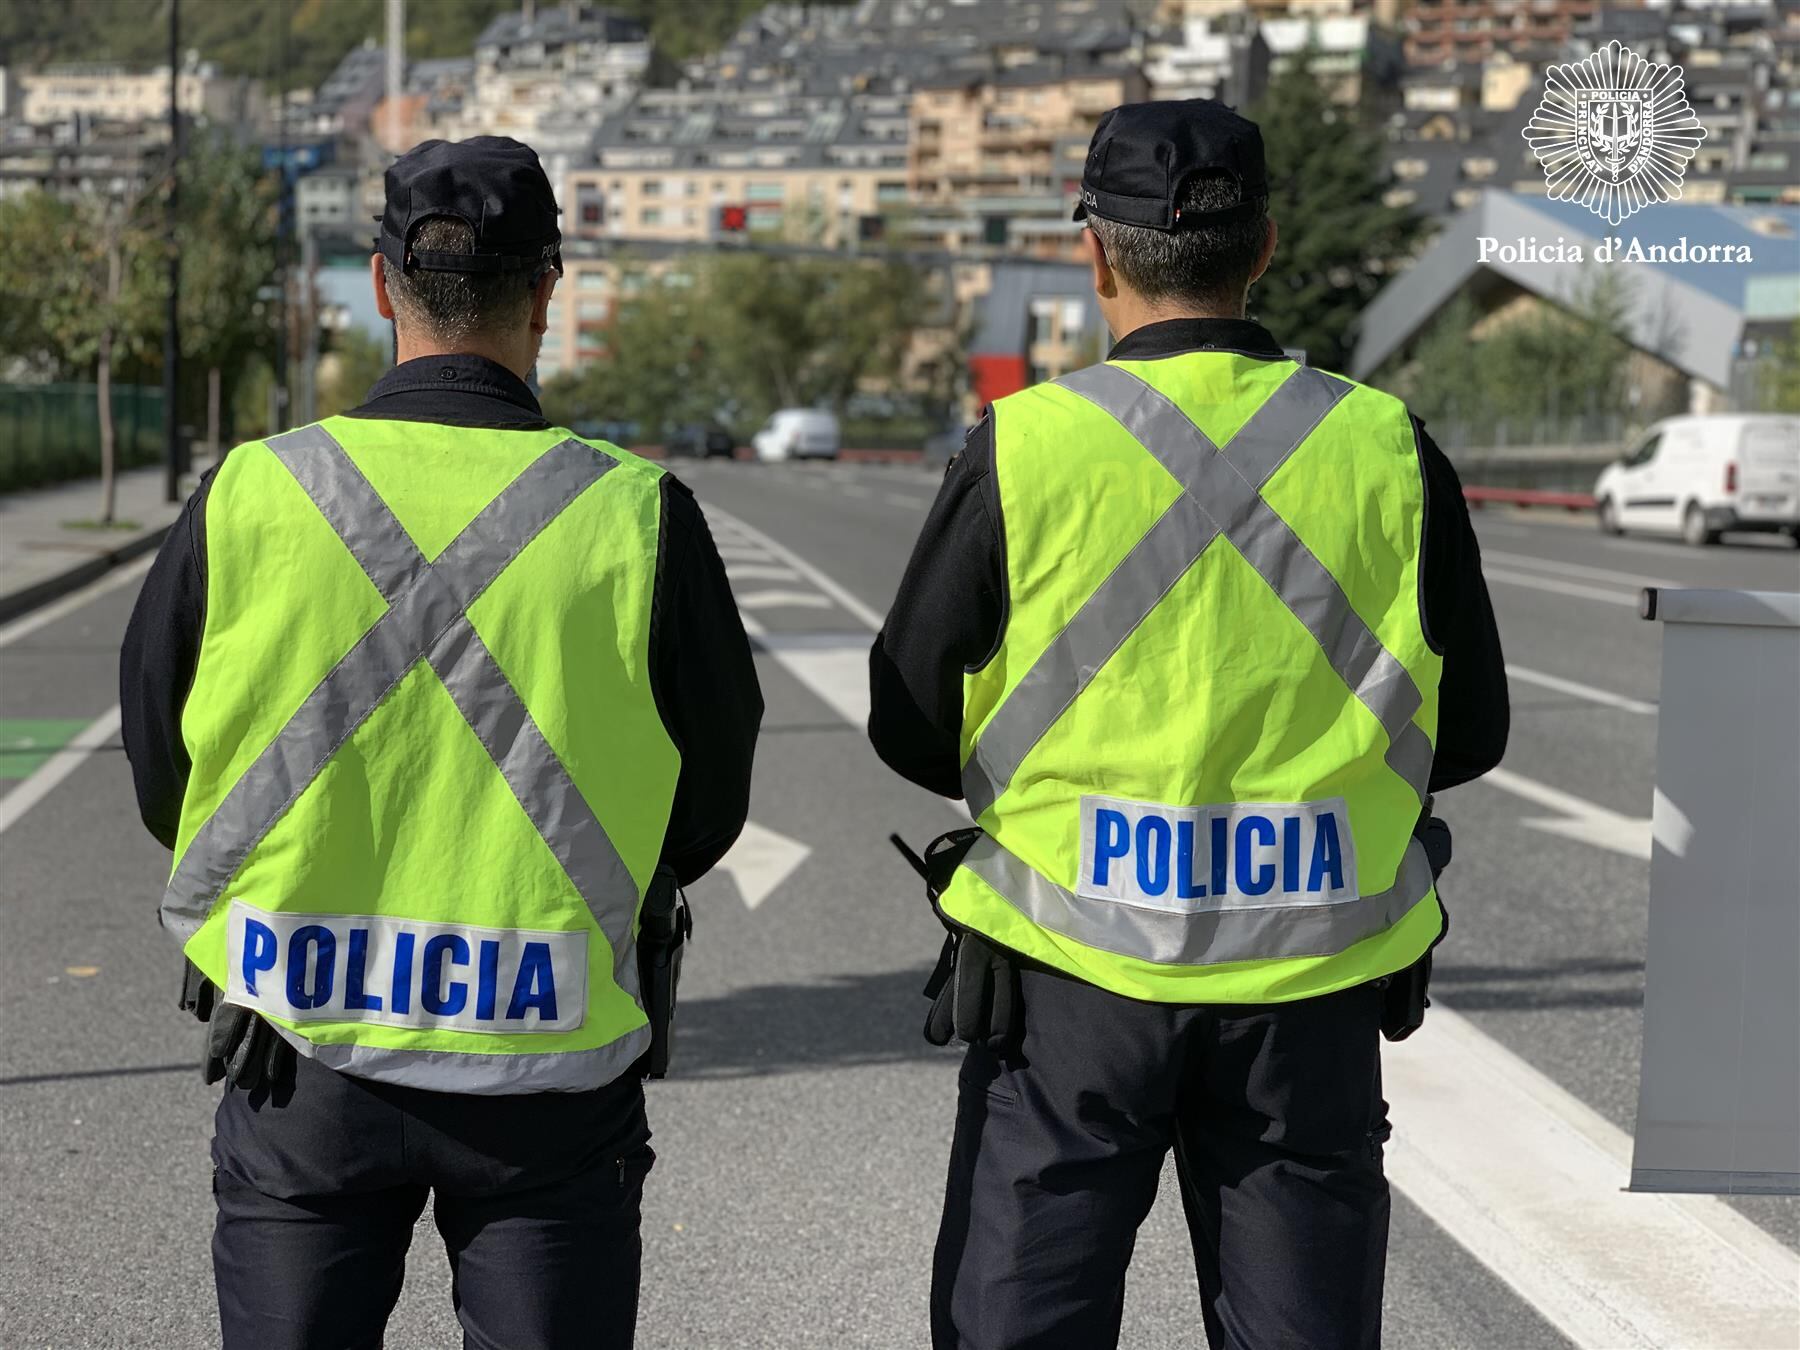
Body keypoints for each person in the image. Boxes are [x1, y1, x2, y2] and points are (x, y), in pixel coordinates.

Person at [869, 100, 1507, 1350]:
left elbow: (906, 718)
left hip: (1066, 990)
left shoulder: (1029, 445)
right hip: (1309, 1000)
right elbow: (1471, 733)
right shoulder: (1384, 445)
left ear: (1093, 256)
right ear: (1264, 247)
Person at [119, 136, 763, 1349]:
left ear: (378, 285)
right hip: (551, 1069)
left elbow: (164, 767)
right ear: (549, 290)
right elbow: (713, 795)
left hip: (298, 1054)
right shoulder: (637, 512)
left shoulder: (251, 492)